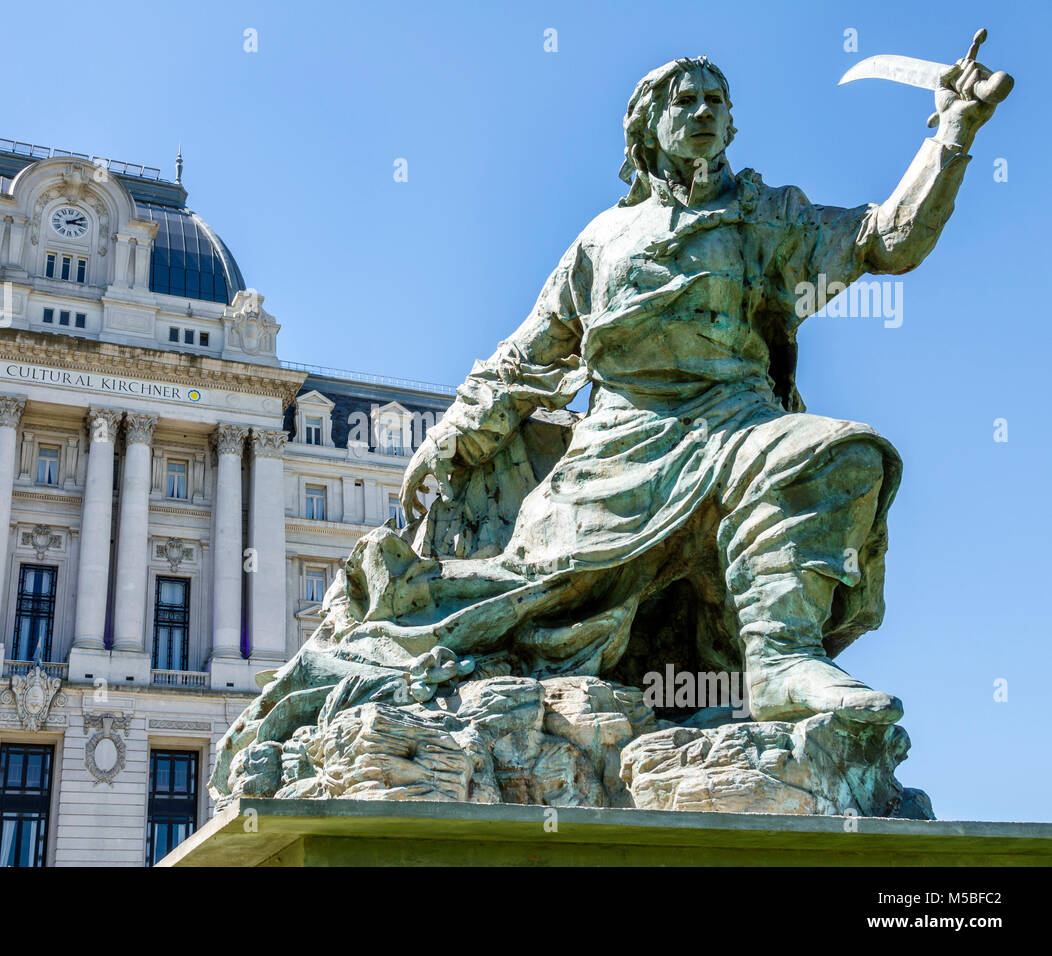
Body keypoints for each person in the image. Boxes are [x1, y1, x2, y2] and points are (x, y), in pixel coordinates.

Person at [211, 51, 1005, 800]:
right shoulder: (602, 241)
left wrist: (953, 135)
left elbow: (886, 241)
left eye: (715, 102)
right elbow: (522, 360)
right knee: (521, 596)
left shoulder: (764, 218)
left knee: (841, 453)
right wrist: (451, 438)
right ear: (649, 127)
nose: (700, 111)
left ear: (732, 126)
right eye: (682, 101)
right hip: (620, 453)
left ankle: (780, 660)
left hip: (738, 426)